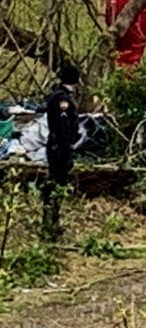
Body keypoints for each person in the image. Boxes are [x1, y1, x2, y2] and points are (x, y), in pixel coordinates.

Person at [42, 65, 81, 240]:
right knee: (57, 183)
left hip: (57, 146)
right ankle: (50, 224)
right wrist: (67, 150)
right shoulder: (62, 99)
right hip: (60, 147)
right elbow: (63, 127)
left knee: (56, 183)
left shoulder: (58, 95)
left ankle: (52, 223)